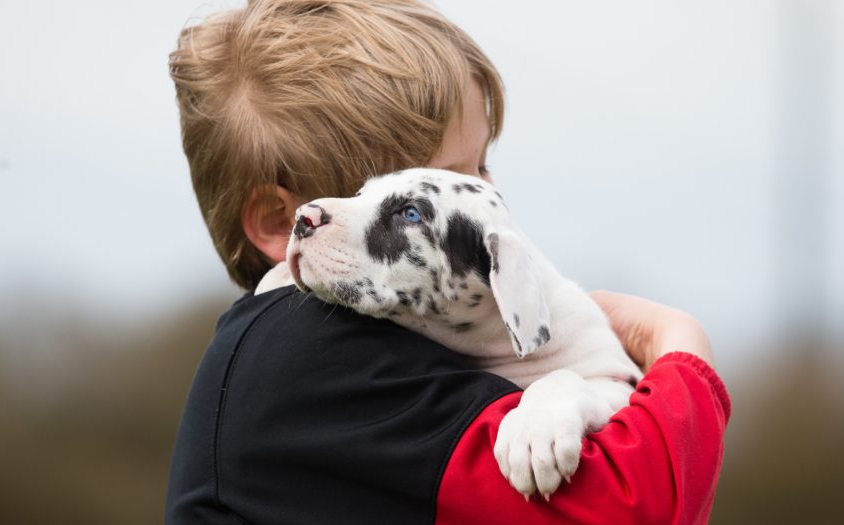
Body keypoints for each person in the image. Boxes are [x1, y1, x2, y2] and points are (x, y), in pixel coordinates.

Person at [164, 1, 730, 523]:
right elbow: (633, 504)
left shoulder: (389, 346)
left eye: (481, 168)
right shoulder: (311, 355)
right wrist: (681, 350)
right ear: (279, 221)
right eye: (447, 181)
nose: (489, 197)